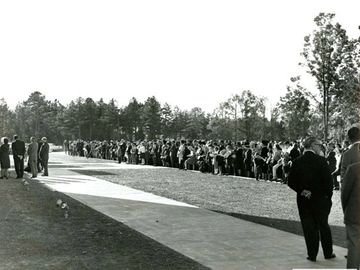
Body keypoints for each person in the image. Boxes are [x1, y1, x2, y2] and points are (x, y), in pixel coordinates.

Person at [288, 136, 335, 262]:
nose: (321, 147)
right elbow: (329, 183)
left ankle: (312, 254)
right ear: (313, 145)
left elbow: (291, 181)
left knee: (309, 227)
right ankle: (328, 253)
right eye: (319, 145)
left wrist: (302, 191)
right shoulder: (322, 161)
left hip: (304, 200)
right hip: (320, 200)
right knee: (323, 226)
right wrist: (327, 198)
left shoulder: (297, 161)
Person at [341, 162, 360, 269]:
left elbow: (345, 193)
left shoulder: (353, 169)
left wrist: (346, 210)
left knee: (354, 245)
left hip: (354, 213)